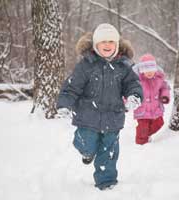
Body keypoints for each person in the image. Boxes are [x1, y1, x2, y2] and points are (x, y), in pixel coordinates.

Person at [56, 23, 143, 190]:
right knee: (87, 143)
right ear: (96, 45)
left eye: (111, 41)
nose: (107, 45)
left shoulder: (123, 66)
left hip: (113, 117)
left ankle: (106, 181)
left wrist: (134, 96)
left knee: (109, 153)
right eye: (103, 42)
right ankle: (86, 152)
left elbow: (133, 84)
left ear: (117, 44)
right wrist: (65, 105)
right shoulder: (86, 65)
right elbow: (71, 87)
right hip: (88, 117)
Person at [132, 53, 170, 145]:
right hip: (142, 110)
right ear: (141, 70)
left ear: (155, 69)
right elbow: (130, 91)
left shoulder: (159, 79)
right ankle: (141, 144)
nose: (149, 72)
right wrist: (127, 102)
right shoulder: (137, 80)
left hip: (156, 109)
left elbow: (165, 88)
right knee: (143, 127)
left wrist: (165, 96)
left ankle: (144, 135)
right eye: (146, 70)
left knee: (159, 123)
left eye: (151, 70)